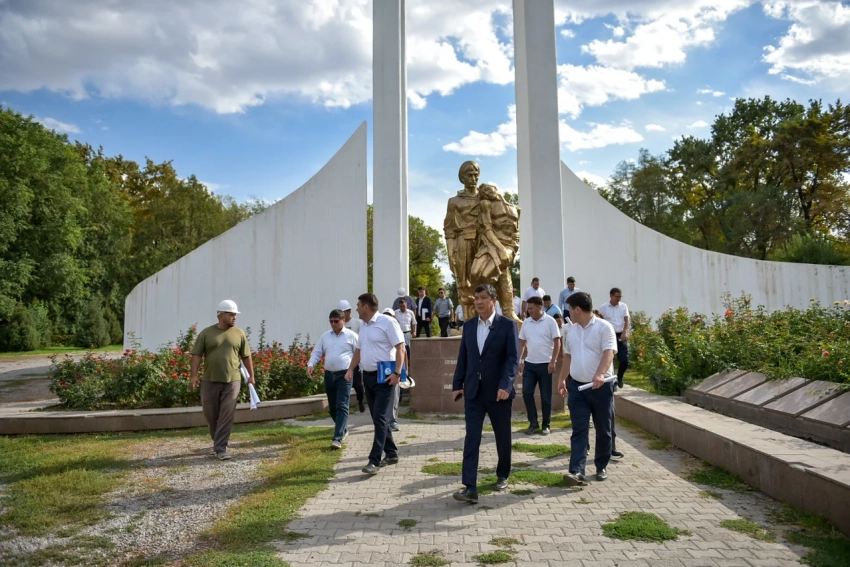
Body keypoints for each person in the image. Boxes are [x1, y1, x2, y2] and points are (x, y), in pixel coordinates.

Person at [451, 284, 519, 503]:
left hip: (499, 393)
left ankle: (502, 474)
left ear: (493, 300)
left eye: (482, 298)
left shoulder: (507, 326)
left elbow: (512, 359)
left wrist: (506, 385)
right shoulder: (469, 326)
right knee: (472, 438)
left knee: (502, 436)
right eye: (476, 298)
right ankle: (470, 487)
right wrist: (457, 384)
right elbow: (465, 356)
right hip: (473, 392)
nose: (478, 302)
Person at [558, 292, 617, 486]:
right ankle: (577, 470)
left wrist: (600, 373)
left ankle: (601, 466)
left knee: (603, 429)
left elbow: (609, 352)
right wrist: (562, 379)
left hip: (601, 387)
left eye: (569, 309)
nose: (568, 313)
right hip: (577, 389)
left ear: (577, 309)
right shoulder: (572, 330)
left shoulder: (603, 327)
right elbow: (568, 356)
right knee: (579, 429)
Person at [345, 293, 405, 475]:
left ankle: (374, 460)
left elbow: (400, 347)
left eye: (358, 305)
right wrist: (350, 369)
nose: (355, 308)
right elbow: (359, 350)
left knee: (379, 418)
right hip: (368, 377)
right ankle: (392, 453)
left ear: (366, 307)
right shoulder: (363, 326)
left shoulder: (387, 322)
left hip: (385, 377)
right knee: (378, 418)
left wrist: (397, 373)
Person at [190, 299, 254, 461]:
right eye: (231, 314)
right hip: (209, 380)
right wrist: (193, 375)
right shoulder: (206, 333)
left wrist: (251, 376)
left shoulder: (239, 333)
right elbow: (196, 355)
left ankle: (220, 448)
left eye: (235, 315)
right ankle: (218, 442)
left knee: (226, 414)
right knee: (211, 414)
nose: (234, 317)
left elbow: (246, 356)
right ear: (221, 315)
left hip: (233, 381)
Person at [307, 309, 359, 449]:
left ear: (343, 320)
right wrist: (311, 364)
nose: (333, 324)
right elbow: (317, 352)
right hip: (329, 375)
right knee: (332, 407)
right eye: (331, 321)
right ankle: (343, 429)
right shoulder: (325, 336)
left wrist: (353, 370)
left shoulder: (352, 336)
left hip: (345, 375)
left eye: (336, 321)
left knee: (342, 404)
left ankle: (337, 438)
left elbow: (359, 354)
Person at [518, 296, 561, 436]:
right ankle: (533, 423)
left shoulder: (550, 321)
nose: (528, 311)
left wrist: (553, 361)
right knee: (527, 393)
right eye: (527, 308)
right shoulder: (526, 322)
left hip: (546, 365)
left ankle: (546, 425)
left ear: (539, 307)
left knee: (546, 396)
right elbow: (522, 343)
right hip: (530, 364)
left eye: (531, 308)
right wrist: (520, 361)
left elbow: (557, 342)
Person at [599, 288, 630, 390]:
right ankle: (611, 382)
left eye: (620, 297)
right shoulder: (603, 308)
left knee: (624, 360)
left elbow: (627, 320)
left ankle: (619, 378)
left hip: (621, 334)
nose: (618, 299)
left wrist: (625, 332)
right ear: (611, 296)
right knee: (609, 359)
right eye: (617, 297)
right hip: (610, 335)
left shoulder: (623, 306)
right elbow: (601, 322)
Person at [339, 300, 365, 413]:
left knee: (358, 386)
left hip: (356, 359)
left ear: (349, 311)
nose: (342, 314)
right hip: (344, 361)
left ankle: (360, 400)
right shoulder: (339, 324)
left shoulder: (358, 323)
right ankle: (344, 407)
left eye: (344, 312)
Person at [382, 308, 405, 432]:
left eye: (390, 316)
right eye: (385, 315)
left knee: (394, 395)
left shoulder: (397, 330)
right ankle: (382, 420)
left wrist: (403, 369)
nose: (388, 318)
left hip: (393, 366)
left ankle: (392, 420)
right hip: (381, 367)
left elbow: (403, 350)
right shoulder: (379, 329)